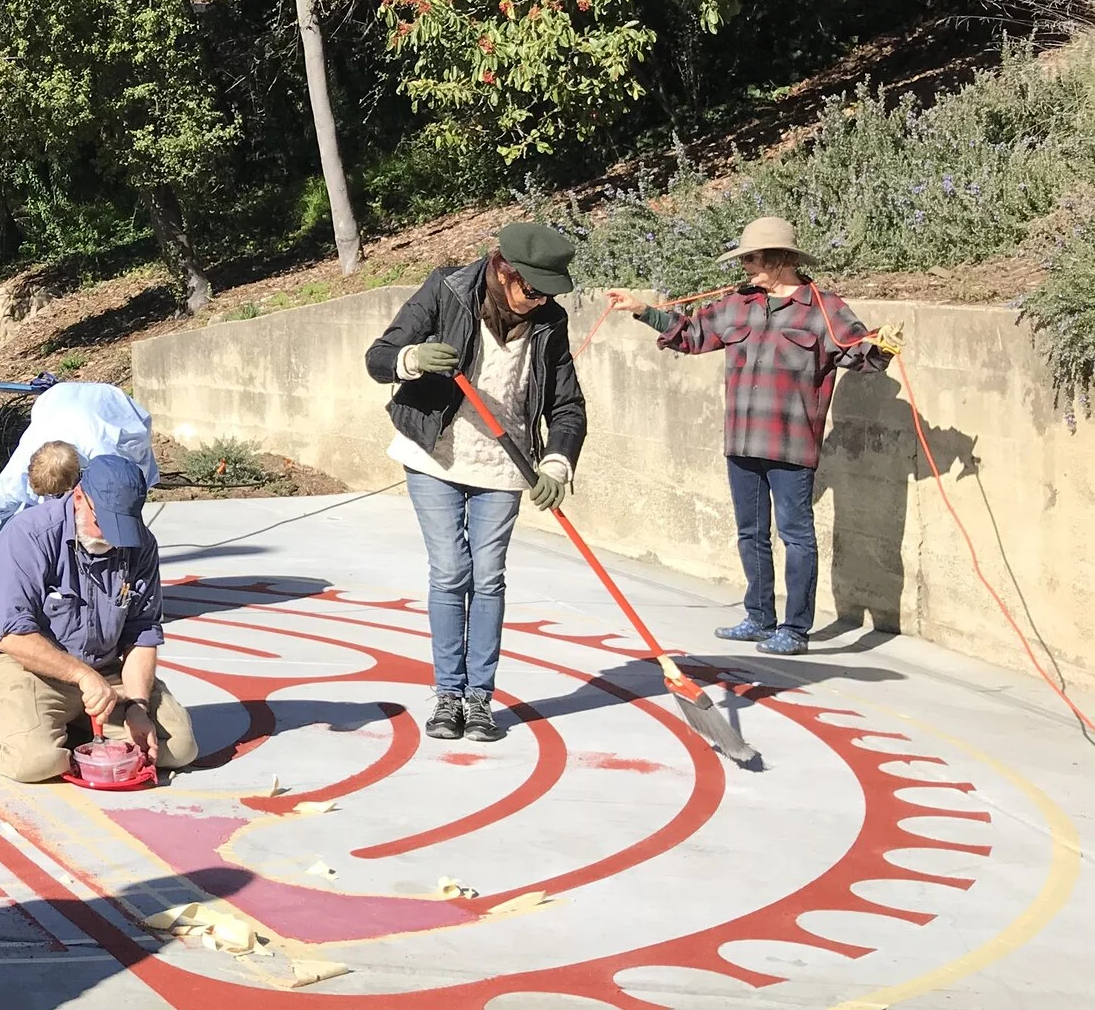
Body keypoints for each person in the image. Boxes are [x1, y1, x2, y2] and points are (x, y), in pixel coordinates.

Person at [605, 215, 895, 657]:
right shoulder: (737, 304)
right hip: (741, 441)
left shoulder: (823, 308)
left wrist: (883, 346)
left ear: (781, 259)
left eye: (753, 258)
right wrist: (643, 310)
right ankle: (759, 618)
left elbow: (860, 354)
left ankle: (795, 630)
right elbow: (692, 335)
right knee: (750, 533)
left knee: (796, 536)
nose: (746, 266)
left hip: (791, 445)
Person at [365, 222, 589, 744]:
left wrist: (557, 463)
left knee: (488, 577)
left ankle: (479, 699)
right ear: (502, 270)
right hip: (435, 456)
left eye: (548, 293)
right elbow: (379, 358)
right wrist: (411, 360)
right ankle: (448, 694)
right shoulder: (446, 289)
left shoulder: (549, 321)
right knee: (450, 572)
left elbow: (568, 405)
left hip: (504, 464)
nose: (539, 301)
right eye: (532, 289)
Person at [0, 453, 200, 781]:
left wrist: (137, 706)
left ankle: (69, 727)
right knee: (35, 763)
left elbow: (142, 631)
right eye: (105, 523)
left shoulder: (142, 545)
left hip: (106, 673)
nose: (113, 538)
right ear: (79, 498)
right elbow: (8, 632)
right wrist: (82, 676)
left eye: (123, 526)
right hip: (32, 670)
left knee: (178, 748)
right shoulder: (28, 534)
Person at [0, 380, 160, 582]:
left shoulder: (105, 454)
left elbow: (123, 498)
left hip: (113, 409)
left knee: (115, 504)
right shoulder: (25, 455)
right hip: (56, 399)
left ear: (77, 478)